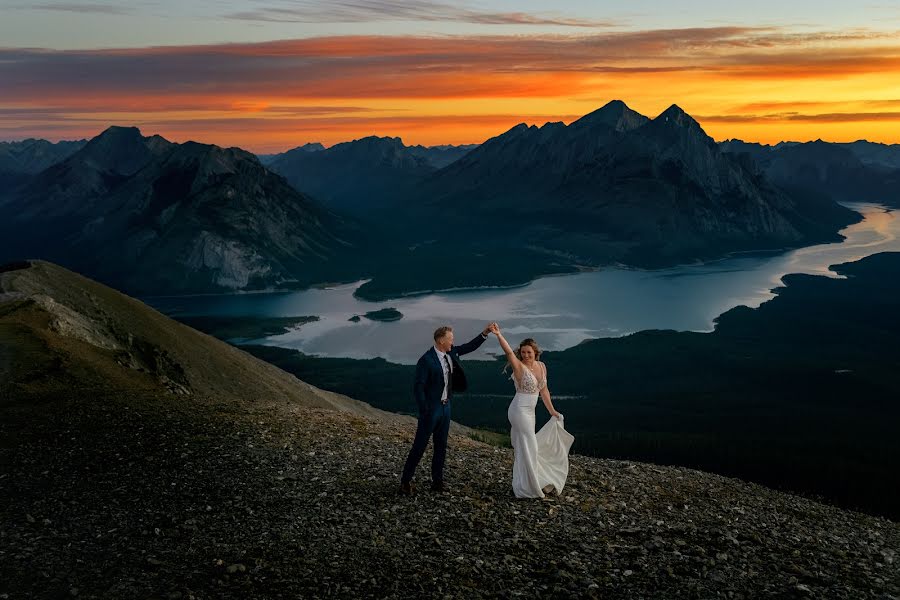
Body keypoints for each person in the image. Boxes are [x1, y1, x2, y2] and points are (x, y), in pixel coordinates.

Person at [400, 323, 495, 495]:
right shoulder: (426, 360)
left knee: (441, 446)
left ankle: (437, 482)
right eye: (450, 339)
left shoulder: (450, 352)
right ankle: (405, 482)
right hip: (432, 409)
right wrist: (425, 410)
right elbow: (418, 387)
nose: (453, 342)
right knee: (419, 446)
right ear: (441, 340)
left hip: (446, 408)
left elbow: (469, 347)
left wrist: (485, 333)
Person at [491, 323, 573, 498]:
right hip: (519, 410)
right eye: (523, 352)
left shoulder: (542, 366)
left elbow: (543, 390)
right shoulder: (519, 367)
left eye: (529, 352)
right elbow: (508, 352)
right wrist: (498, 335)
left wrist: (552, 411)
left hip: (531, 412)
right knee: (531, 446)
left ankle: (526, 481)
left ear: (535, 352)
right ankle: (530, 486)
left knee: (526, 447)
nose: (526, 355)